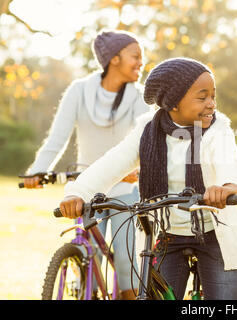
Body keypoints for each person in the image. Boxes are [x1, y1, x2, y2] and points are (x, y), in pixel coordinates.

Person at [58, 57, 237, 300]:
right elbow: (112, 163)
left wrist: (226, 187)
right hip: (166, 233)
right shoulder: (147, 130)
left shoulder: (217, 130)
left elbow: (228, 163)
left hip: (214, 233)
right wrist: (78, 193)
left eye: (213, 96)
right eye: (202, 97)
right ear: (173, 103)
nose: (212, 104)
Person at [23, 30, 150, 299]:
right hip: (86, 189)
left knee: (128, 265)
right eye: (135, 56)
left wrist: (138, 169)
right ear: (114, 59)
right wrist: (37, 170)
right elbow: (57, 138)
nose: (142, 62)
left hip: (125, 189)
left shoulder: (140, 96)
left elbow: (145, 141)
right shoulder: (79, 90)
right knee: (88, 256)